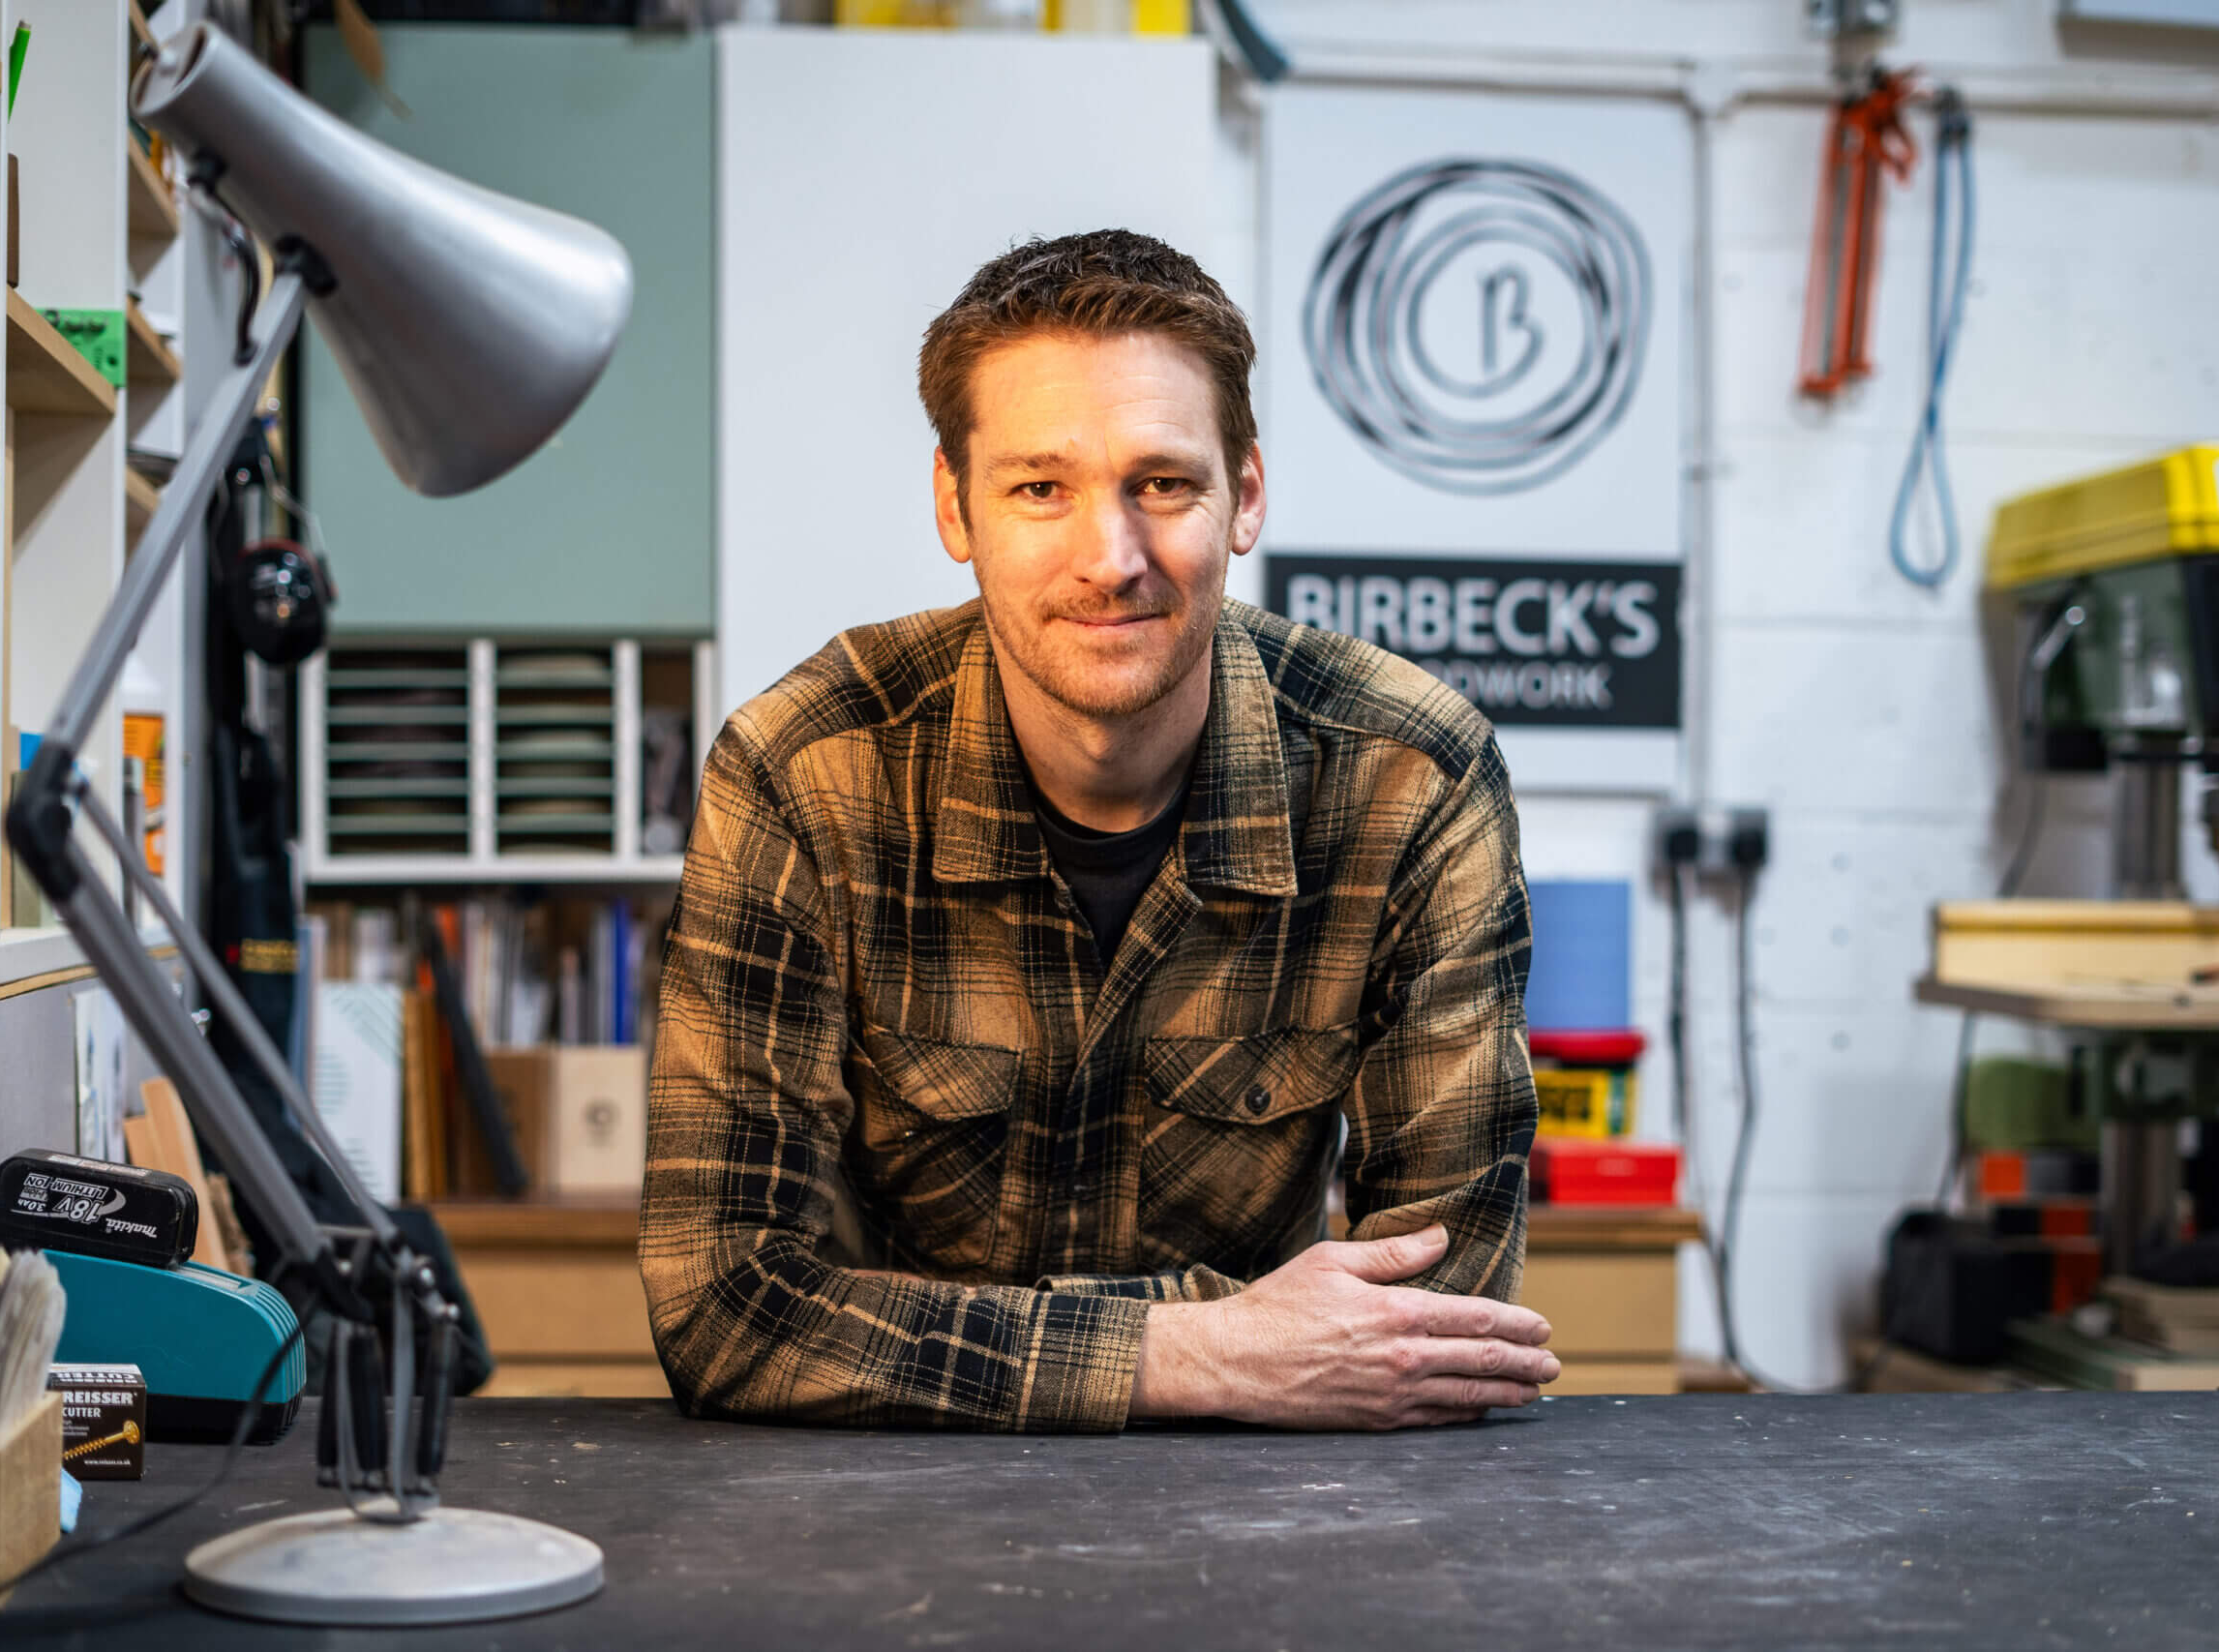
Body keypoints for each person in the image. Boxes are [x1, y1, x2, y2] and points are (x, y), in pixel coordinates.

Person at [640, 229, 1552, 1432]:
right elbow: (725, 1305)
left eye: (1161, 483)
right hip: (878, 1511)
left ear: (1248, 496)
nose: (1109, 558)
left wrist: (946, 1336)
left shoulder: (1408, 778)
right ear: (953, 506)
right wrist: (1205, 1353)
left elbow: (1441, 1318)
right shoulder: (807, 773)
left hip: (1269, 1513)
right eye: (1039, 488)